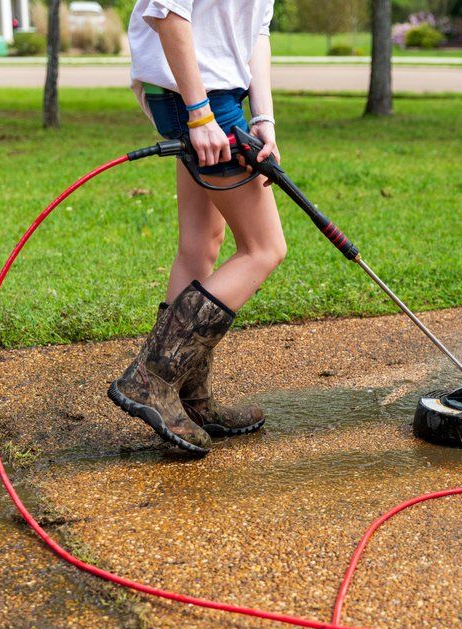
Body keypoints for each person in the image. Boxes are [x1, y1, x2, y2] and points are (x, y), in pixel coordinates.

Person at [107, 0, 285, 456]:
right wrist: (200, 113)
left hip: (212, 95)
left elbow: (256, 31)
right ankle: (154, 378)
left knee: (200, 244)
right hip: (198, 96)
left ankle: (190, 397)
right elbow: (167, 12)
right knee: (263, 248)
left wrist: (263, 119)